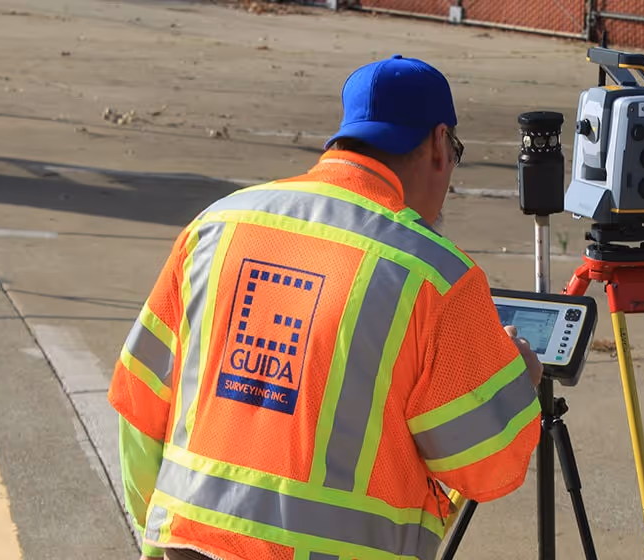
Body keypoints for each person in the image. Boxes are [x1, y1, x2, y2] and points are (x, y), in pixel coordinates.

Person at [108, 53, 544, 560]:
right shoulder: (437, 276)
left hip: (189, 548)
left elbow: (139, 406)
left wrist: (153, 537)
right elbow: (487, 466)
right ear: (438, 145)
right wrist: (518, 383)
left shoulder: (216, 226)